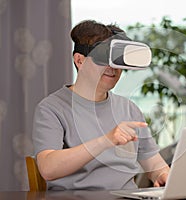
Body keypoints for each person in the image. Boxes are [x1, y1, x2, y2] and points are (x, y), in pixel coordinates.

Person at [32, 20, 169, 190]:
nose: (112, 68)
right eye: (104, 58)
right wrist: (106, 140)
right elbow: (48, 168)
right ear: (79, 61)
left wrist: (164, 175)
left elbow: (155, 165)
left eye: (117, 60)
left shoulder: (129, 109)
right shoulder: (52, 109)